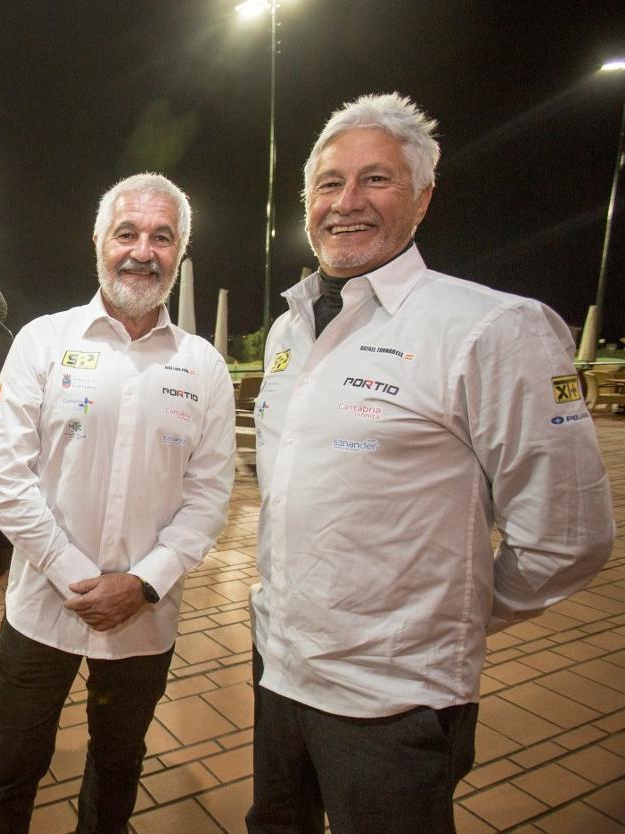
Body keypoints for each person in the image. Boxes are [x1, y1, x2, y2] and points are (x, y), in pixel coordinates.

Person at [247, 92, 616, 834]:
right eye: (329, 183)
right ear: (307, 199)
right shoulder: (292, 328)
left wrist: (446, 621)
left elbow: (569, 535)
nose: (347, 202)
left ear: (422, 197)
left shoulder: (492, 328)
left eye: (375, 180)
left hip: (393, 700)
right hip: (277, 666)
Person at [0, 172, 236, 834]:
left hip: (144, 621)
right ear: (98, 241)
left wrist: (143, 585)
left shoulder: (203, 367)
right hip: (42, 610)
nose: (142, 251)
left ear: (179, 252)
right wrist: (74, 574)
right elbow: (5, 475)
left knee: (119, 768)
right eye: (127, 233)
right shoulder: (44, 341)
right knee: (10, 772)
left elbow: (210, 495)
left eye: (162, 237)